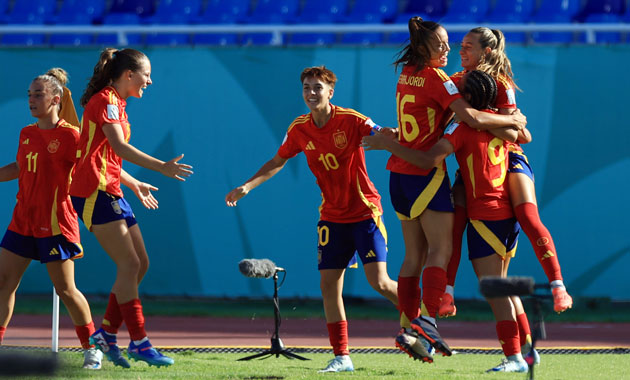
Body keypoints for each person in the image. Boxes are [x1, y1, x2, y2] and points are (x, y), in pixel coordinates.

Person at [364, 16, 526, 363]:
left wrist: (389, 142)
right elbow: (476, 119)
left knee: (413, 257)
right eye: (442, 44)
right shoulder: (440, 80)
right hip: (425, 174)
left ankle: (410, 329)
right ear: (425, 47)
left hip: (398, 177)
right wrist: (513, 119)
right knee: (442, 250)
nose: (449, 49)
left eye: (455, 44)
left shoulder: (408, 70)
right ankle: (428, 323)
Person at [226, 66, 399, 373]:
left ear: (331, 92)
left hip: (364, 212)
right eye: (306, 87)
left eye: (317, 87)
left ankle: (422, 321)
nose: (311, 93)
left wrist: (388, 135)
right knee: (328, 285)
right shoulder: (299, 128)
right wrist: (247, 186)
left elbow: (379, 132)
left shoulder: (351, 119)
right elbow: (278, 160)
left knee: (380, 282)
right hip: (331, 217)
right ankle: (342, 356)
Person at [0, 68, 103, 369]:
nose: (32, 100)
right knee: (4, 283)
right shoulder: (27, 133)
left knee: (66, 290)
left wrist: (129, 184)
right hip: (23, 219)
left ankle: (93, 348)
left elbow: (95, 165)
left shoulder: (71, 135)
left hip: (56, 222)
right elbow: (19, 168)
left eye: (38, 94)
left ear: (56, 99)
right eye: (29, 95)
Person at [439, 27, 572, 320]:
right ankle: (447, 292)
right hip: (472, 163)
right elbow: (502, 123)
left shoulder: (500, 83)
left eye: (468, 46)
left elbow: (520, 134)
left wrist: (476, 120)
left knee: (528, 217)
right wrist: (491, 121)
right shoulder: (453, 82)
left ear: (486, 51)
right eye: (460, 45)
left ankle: (558, 285)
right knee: (455, 226)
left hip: (508, 157)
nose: (461, 51)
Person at [71, 47, 192, 368]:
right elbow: (119, 146)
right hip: (93, 193)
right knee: (129, 265)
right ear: (128, 75)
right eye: (146, 75)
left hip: (110, 189)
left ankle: (107, 335)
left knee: (141, 265)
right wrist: (161, 167)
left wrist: (132, 182)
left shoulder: (118, 103)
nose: (149, 81)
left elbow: (106, 155)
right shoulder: (106, 101)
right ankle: (139, 342)